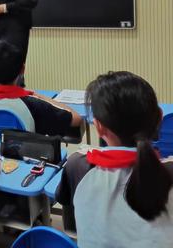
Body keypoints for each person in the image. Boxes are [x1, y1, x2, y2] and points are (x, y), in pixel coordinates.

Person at [56, 71, 173, 247]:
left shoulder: (77, 167)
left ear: (98, 127)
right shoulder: (168, 173)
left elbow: (71, 224)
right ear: (159, 118)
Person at [0, 41, 81, 135]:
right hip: (24, 159)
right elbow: (77, 119)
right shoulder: (35, 104)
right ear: (22, 70)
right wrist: (41, 97)